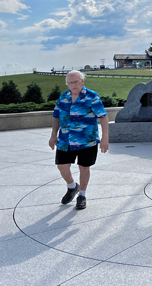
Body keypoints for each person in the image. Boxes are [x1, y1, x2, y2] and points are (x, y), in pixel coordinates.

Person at [49, 70, 109, 210]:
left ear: (82, 81)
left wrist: (104, 138)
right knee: (62, 166)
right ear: (67, 84)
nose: (73, 85)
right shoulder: (63, 97)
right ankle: (72, 187)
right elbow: (56, 117)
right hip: (65, 140)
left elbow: (103, 117)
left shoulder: (92, 97)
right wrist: (53, 135)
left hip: (87, 140)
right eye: (70, 82)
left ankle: (82, 195)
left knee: (84, 167)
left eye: (76, 81)